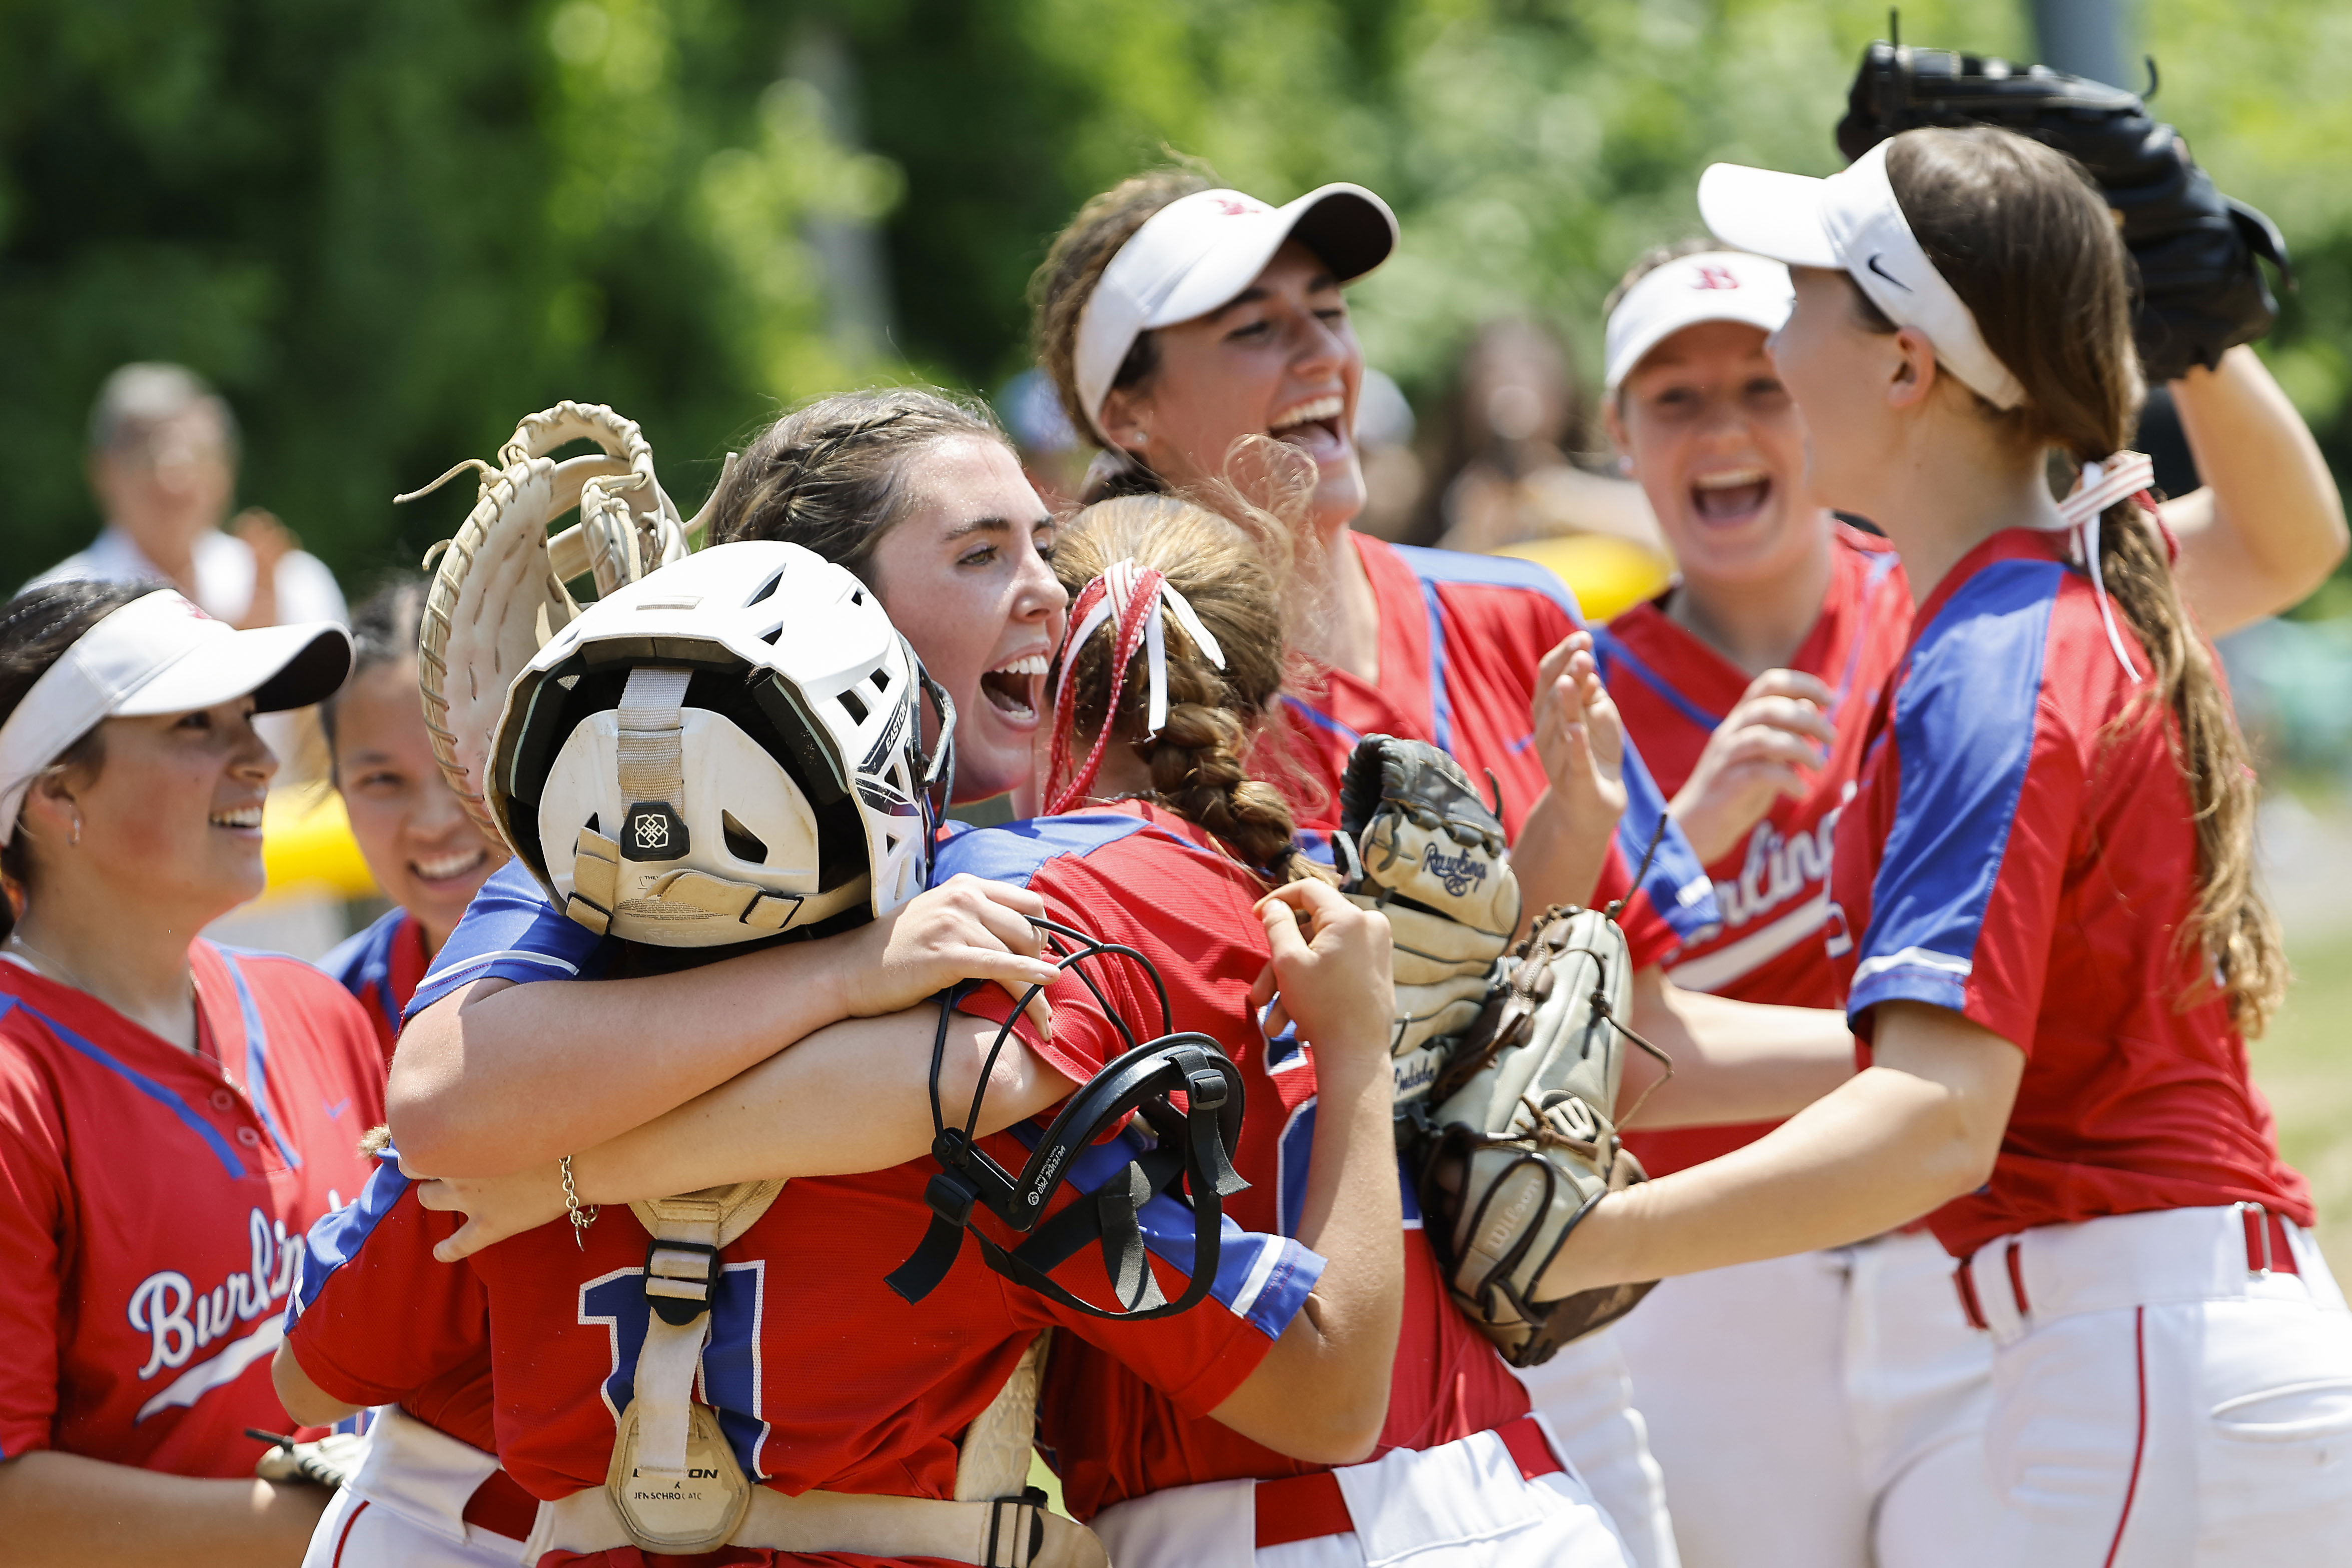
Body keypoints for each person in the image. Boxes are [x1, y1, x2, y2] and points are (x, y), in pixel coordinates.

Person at [276, 530, 1410, 1567]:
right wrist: (1357, 1056)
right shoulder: (982, 1089)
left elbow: (312, 1369)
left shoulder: (514, 1100)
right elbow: (1328, 1396)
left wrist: (582, 1182)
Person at [1536, 126, 2352, 1563]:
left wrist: (1584, 1239)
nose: (1778, 357)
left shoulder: (1991, 646)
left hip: (2136, 1356)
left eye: (1797, 308)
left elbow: (1930, 1115)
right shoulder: (2021, 602)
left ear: (1905, 365)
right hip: (2148, 1348)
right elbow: (1917, 1072)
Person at [1027, 169, 1724, 1568]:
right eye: (1253, 330)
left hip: (1542, 1348)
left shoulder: (1512, 609)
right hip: (1281, 1400)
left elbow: (1650, 1035)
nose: (1319, 354)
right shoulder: (1089, 716)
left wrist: (1941, 1076)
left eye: (1328, 311)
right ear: (1126, 413)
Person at [997, 490, 1638, 1565]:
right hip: (1524, 1503)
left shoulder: (1027, 902)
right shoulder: (1344, 900)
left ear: (1049, 695)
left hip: (1249, 1521)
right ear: (1259, 705)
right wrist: (1570, 829)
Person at [0, 579, 379, 1567]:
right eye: (196, 727)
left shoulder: (319, 1012)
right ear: (56, 794)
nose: (259, 758)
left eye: (249, 720)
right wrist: (326, 1530)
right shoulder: (15, 1088)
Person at [318, 577, 508, 1060]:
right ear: (337, 788)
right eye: (382, 780)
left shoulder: (663, 970)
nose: (433, 822)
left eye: (469, 764)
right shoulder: (318, 1024)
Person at [32, 364, 347, 633]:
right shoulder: (55, 610)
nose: (173, 482)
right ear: (102, 472)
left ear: (228, 470)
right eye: (146, 459)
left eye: (196, 458)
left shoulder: (296, 585)